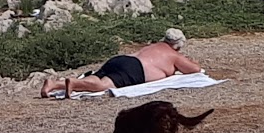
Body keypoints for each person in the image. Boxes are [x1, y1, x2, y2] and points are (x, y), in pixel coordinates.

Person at [40, 29, 201, 97]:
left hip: (122, 60)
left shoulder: (154, 46)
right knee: (103, 85)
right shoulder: (173, 54)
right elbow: (194, 70)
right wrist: (189, 60)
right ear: (178, 45)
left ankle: (54, 84)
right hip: (135, 69)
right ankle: (73, 83)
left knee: (96, 78)